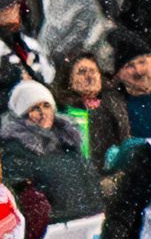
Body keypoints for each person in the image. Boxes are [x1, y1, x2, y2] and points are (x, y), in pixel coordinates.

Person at [87, 27, 151, 166]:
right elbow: (100, 156)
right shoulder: (107, 105)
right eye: (129, 66)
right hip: (138, 175)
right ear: (117, 75)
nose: (138, 71)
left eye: (142, 62)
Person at [3, 79, 101, 217]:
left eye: (46, 105)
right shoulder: (16, 150)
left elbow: (89, 183)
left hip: (85, 222)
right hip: (52, 230)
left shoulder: (68, 141)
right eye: (34, 108)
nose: (43, 113)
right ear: (22, 115)